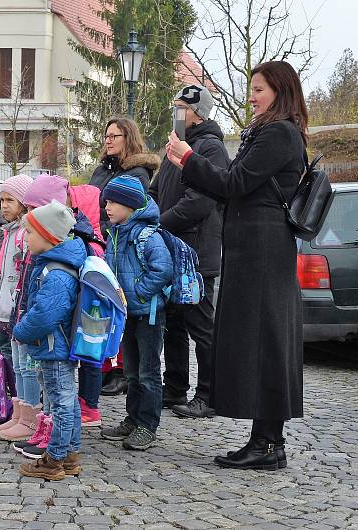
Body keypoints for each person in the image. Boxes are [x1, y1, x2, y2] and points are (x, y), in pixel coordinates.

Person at [166, 61, 307, 471]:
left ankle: (267, 444)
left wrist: (189, 159)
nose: (251, 96)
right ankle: (265, 440)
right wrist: (189, 164)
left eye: (258, 89)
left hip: (263, 253)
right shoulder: (270, 131)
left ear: (279, 91)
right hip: (254, 250)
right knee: (260, 343)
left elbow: (234, 183)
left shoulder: (279, 133)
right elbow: (234, 187)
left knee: (265, 343)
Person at [148, 84, 230, 417]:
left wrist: (158, 224)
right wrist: (148, 215)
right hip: (172, 251)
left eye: (181, 107)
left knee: (201, 327)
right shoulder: (174, 148)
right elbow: (155, 191)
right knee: (174, 326)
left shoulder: (209, 149)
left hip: (196, 256)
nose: (176, 113)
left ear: (198, 113)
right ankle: (175, 389)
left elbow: (198, 203)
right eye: (175, 107)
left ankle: (209, 395)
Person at [14, 200, 86, 481]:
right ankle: (70, 455)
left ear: (48, 236)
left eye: (30, 233)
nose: (26, 238)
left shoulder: (56, 272)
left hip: (54, 347)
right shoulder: (58, 265)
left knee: (60, 403)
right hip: (55, 346)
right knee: (67, 400)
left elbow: (45, 314)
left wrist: (20, 331)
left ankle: (54, 460)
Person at [100, 176, 172, 451]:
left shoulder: (147, 235)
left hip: (148, 315)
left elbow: (162, 269)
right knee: (130, 371)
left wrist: (140, 293)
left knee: (148, 372)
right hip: (127, 313)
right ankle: (132, 419)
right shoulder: (116, 232)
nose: (107, 206)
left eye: (114, 201)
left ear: (130, 205)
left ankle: (147, 425)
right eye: (107, 201)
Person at [0, 174, 32, 435]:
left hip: (13, 307)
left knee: (17, 362)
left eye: (10, 200)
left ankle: (23, 413)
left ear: (24, 202)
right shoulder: (9, 231)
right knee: (6, 356)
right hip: (1, 305)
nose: (4, 205)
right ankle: (14, 410)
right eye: (2, 200)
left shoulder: (24, 232)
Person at [89, 117, 161, 234]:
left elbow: (132, 215)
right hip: (90, 234)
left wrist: (98, 233)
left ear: (128, 138)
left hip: (113, 239)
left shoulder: (138, 174)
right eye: (106, 137)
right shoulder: (100, 170)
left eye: (113, 136)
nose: (108, 141)